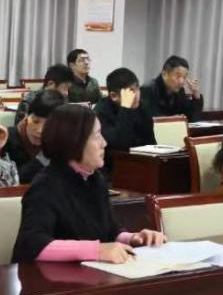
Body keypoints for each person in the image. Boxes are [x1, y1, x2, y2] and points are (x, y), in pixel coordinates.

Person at [12, 105, 165, 263]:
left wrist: (133, 238)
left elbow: (110, 231)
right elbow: (32, 245)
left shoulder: (95, 179)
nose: (104, 143)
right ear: (74, 141)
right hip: (50, 276)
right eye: (97, 135)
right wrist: (96, 250)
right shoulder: (45, 186)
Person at [94, 68, 155, 170]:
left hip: (140, 164)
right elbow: (120, 145)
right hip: (112, 167)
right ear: (114, 96)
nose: (136, 95)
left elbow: (150, 142)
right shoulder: (101, 112)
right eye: (130, 91)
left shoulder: (142, 108)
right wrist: (125, 108)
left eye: (137, 88)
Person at [5, 89, 65, 183]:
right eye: (35, 121)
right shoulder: (6, 139)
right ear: (26, 116)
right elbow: (10, 181)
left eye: (48, 125)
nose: (40, 130)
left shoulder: (63, 141)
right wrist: (43, 158)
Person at [140, 55, 203, 122]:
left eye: (184, 77)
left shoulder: (180, 91)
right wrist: (173, 119)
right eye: (178, 76)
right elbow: (149, 119)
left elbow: (190, 118)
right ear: (164, 74)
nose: (181, 81)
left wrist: (196, 95)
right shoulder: (148, 89)